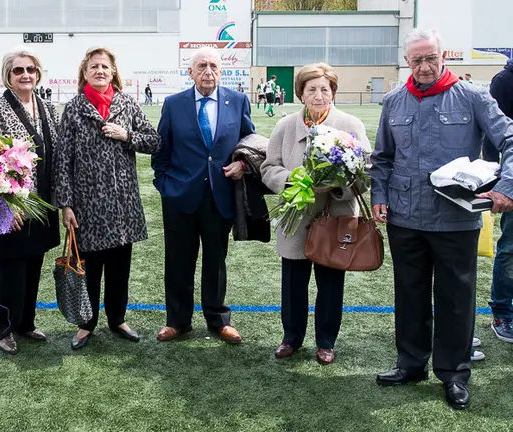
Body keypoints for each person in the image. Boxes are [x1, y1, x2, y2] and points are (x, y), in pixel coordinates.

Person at [370, 28, 513, 410]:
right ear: (407, 62)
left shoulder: (473, 97)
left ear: (442, 55)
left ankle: (454, 374)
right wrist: (380, 195)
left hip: (456, 218)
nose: (424, 66)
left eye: (430, 57)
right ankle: (411, 363)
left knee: (455, 300)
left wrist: (507, 187)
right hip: (405, 218)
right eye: (416, 59)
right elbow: (382, 157)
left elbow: (509, 140)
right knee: (410, 294)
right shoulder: (394, 101)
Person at [261, 63, 370, 365]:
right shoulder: (285, 127)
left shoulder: (350, 125)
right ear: (301, 94)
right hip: (296, 218)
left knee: (331, 284)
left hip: (335, 218)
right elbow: (268, 168)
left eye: (325, 89)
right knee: (293, 285)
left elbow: (365, 175)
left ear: (333, 91)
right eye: (312, 89)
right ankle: (291, 338)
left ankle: (326, 341)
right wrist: (294, 180)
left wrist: (335, 187)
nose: (319, 95)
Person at [54, 46, 160, 350]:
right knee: (89, 268)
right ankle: (86, 324)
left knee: (119, 268)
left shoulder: (127, 104)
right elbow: (63, 159)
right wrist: (66, 204)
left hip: (122, 203)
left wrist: (127, 135)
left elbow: (155, 141)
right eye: (93, 67)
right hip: (86, 205)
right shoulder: (74, 107)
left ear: (113, 72)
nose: (99, 71)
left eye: (105, 66)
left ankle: (117, 319)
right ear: (84, 73)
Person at [152, 47, 254, 344]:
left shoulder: (237, 101)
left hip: (218, 195)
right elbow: (162, 150)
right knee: (178, 261)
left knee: (215, 260)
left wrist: (243, 163)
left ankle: (218, 319)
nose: (208, 71)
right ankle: (178, 321)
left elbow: (249, 140)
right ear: (191, 72)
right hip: (180, 197)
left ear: (220, 71)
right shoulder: (173, 104)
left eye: (213, 66)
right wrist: (165, 185)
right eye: (201, 66)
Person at [0, 49, 60, 355]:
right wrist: (5, 206)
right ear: (8, 76)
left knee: (34, 263)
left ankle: (26, 322)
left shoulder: (47, 107)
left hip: (41, 204)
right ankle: (4, 327)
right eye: (18, 71)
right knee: (11, 268)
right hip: (11, 206)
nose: (26, 74)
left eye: (31, 69)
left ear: (38, 73)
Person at [483, 57, 513, 342]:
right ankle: (503, 312)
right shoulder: (505, 81)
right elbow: (495, 137)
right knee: (511, 249)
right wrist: (495, 181)